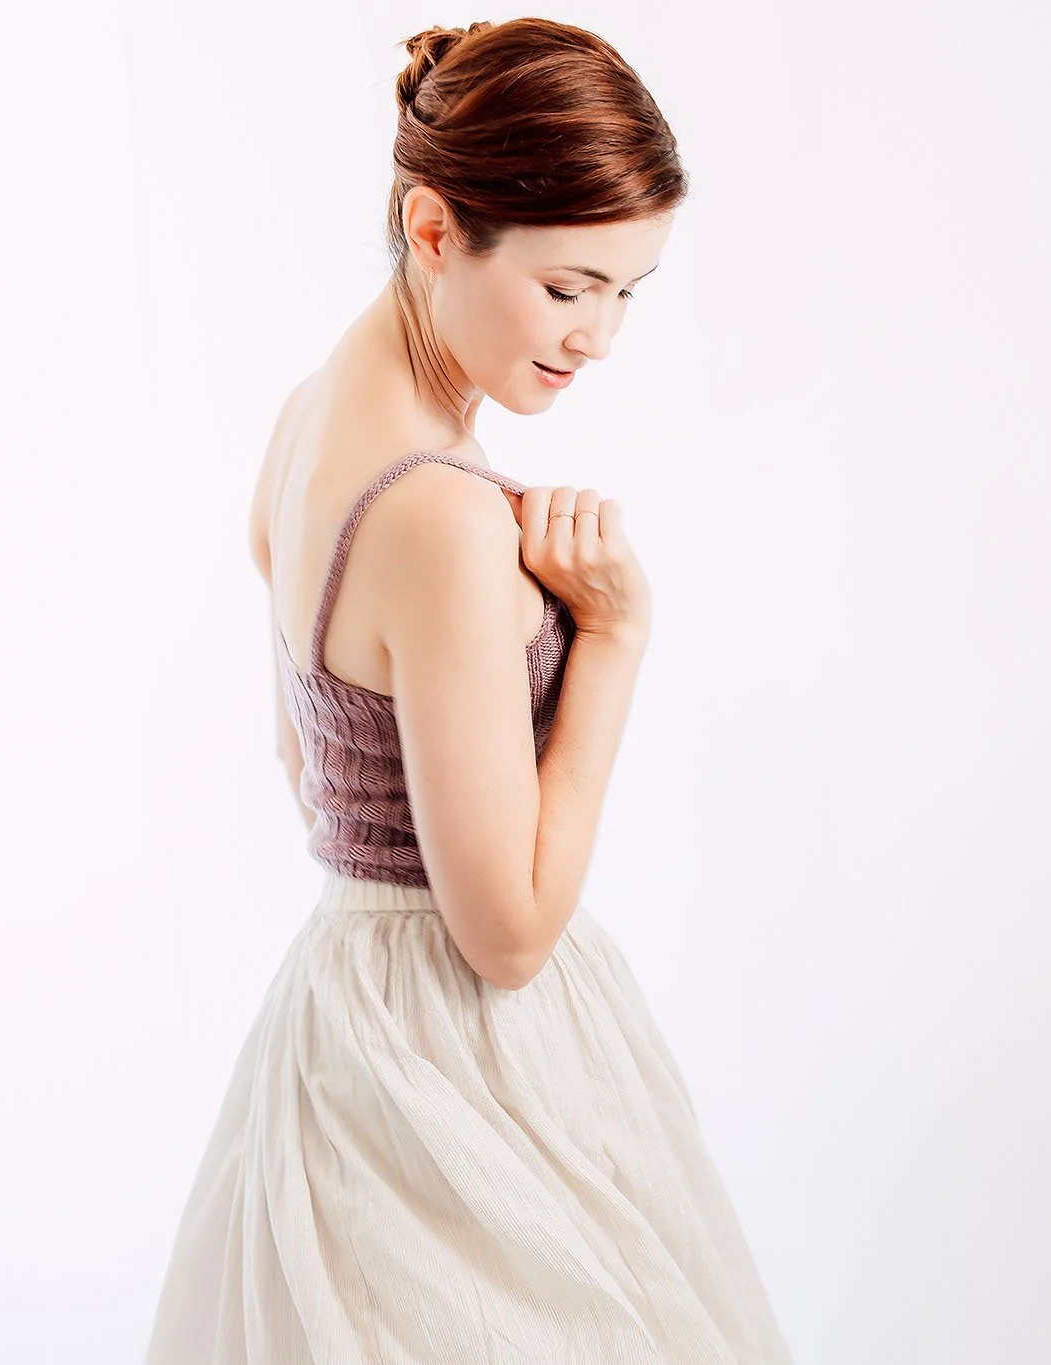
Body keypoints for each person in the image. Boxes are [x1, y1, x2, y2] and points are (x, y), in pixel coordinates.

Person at [147, 18, 795, 1364]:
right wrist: (612, 637)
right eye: (568, 287)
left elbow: (314, 772)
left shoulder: (310, 414)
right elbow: (505, 935)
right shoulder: (441, 515)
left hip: (346, 1018)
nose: (598, 336)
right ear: (434, 228)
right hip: (459, 1058)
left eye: (629, 292)